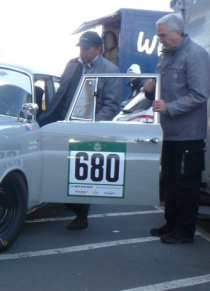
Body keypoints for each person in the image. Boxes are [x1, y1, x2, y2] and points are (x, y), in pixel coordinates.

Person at [37, 31, 121, 230]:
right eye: (81, 48)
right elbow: (60, 94)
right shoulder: (73, 64)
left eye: (87, 48)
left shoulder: (110, 70)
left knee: (81, 172)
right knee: (60, 166)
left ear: (99, 49)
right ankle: (67, 203)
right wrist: (46, 119)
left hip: (86, 127)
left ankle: (81, 215)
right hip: (64, 123)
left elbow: (112, 106)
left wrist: (91, 125)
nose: (82, 51)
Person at [142, 14, 210, 246]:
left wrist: (169, 108)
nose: (160, 40)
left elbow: (200, 95)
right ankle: (171, 223)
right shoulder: (167, 56)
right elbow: (164, 91)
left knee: (186, 185)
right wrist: (150, 91)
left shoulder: (196, 55)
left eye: (163, 35)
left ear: (177, 32)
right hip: (169, 132)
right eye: (159, 35)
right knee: (170, 182)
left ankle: (184, 231)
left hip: (188, 134)